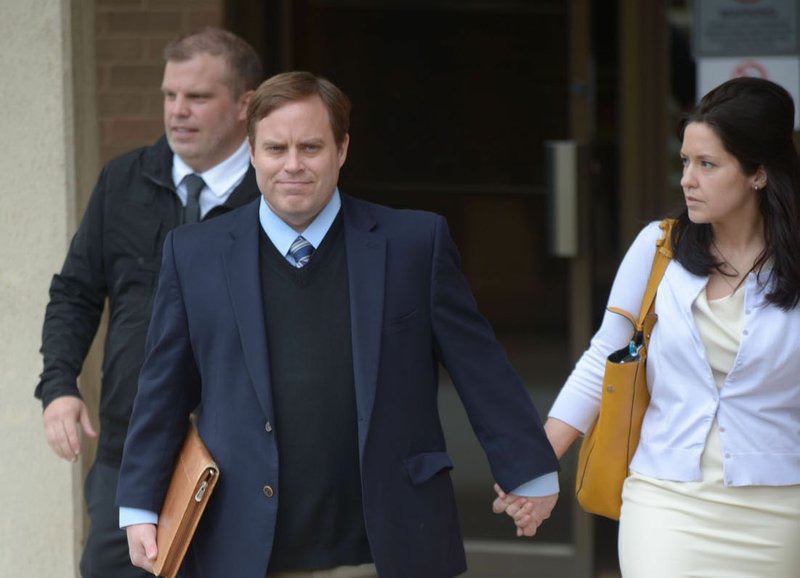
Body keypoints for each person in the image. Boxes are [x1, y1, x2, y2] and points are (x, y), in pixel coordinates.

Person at [116, 71, 560, 578]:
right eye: (276, 148)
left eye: (311, 147)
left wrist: (528, 469)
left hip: (387, 546)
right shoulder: (195, 253)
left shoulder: (414, 243)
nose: (293, 165)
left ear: (342, 149)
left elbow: (480, 367)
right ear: (252, 153)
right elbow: (162, 389)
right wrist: (141, 505)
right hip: (246, 546)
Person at [497, 76, 800, 576]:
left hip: (780, 509)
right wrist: (535, 463)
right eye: (685, 162)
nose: (687, 180)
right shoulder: (659, 248)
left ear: (758, 174)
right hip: (665, 500)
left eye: (707, 164)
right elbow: (603, 359)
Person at [34, 28, 263, 578]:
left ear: (244, 106)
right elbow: (76, 292)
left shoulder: (272, 196)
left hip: (241, 456)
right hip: (129, 446)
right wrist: (59, 386)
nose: (178, 112)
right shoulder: (123, 181)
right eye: (169, 95)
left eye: (199, 97)